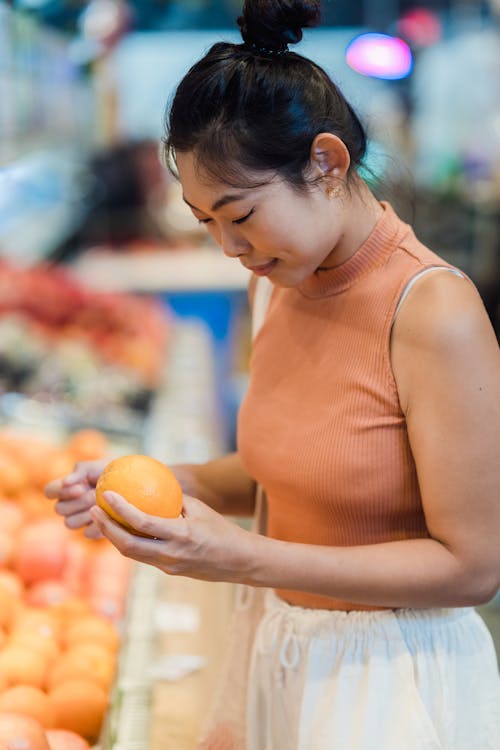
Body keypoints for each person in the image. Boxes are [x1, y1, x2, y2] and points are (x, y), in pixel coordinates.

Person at [45, 1, 500, 748]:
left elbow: (472, 566)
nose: (229, 246)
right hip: (279, 650)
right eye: (205, 223)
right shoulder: (276, 282)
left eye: (241, 214)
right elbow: (282, 472)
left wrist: (243, 557)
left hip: (387, 685)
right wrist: (165, 485)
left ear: (326, 162)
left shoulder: (433, 310)